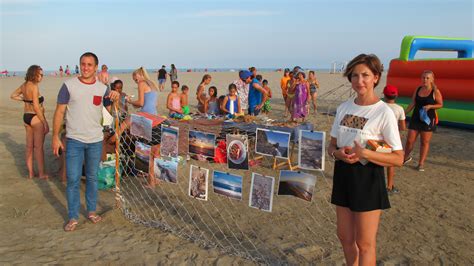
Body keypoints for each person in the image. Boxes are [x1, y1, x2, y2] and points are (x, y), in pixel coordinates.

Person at [327, 54, 403, 265]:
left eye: (365, 75)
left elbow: (398, 158)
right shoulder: (344, 108)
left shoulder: (383, 112)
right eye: (354, 76)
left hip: (368, 177)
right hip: (343, 174)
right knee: (345, 237)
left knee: (365, 243)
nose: (359, 81)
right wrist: (336, 153)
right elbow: (331, 145)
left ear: (376, 78)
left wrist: (366, 154)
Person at [52, 52, 119, 232]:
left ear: (96, 67)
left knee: (92, 178)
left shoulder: (102, 88)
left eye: (90, 64)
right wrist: (55, 136)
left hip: (95, 141)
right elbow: (59, 112)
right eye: (83, 64)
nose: (86, 67)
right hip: (74, 140)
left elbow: (108, 113)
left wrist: (115, 98)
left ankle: (91, 211)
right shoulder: (68, 86)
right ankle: (73, 216)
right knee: (73, 179)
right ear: (79, 65)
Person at [10, 65, 49, 180]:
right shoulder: (34, 87)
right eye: (40, 74)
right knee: (38, 147)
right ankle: (41, 173)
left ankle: (31, 173)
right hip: (35, 117)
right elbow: (37, 107)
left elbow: (13, 95)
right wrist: (45, 122)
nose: (42, 77)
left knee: (29, 147)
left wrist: (24, 99)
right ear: (34, 74)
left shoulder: (24, 85)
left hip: (26, 116)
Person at [403, 70, 443, 172]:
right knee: (409, 141)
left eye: (427, 78)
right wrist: (404, 113)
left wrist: (431, 106)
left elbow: (440, 104)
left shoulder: (435, 91)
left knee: (424, 142)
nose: (425, 80)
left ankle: (421, 164)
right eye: (423, 77)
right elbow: (413, 103)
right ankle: (405, 158)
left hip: (428, 119)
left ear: (432, 79)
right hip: (416, 117)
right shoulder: (418, 89)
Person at [383, 84, 406, 193]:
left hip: (379, 137)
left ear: (384, 95)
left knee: (374, 160)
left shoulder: (379, 106)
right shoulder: (399, 109)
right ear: (396, 96)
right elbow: (403, 127)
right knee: (390, 163)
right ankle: (389, 186)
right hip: (392, 138)